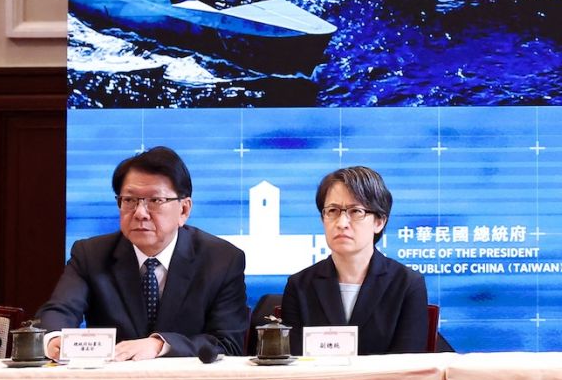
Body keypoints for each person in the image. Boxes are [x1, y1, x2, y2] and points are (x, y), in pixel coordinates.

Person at [36, 145, 248, 360]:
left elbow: (227, 343)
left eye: (155, 201)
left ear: (184, 210)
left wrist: (160, 345)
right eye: (129, 200)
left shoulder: (222, 259)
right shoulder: (90, 254)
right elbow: (59, 310)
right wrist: (54, 339)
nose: (140, 213)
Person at [278, 166, 431, 354]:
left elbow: (408, 365)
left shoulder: (407, 284)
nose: (342, 223)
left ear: (379, 221)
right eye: (332, 211)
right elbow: (294, 363)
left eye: (356, 211)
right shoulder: (300, 285)